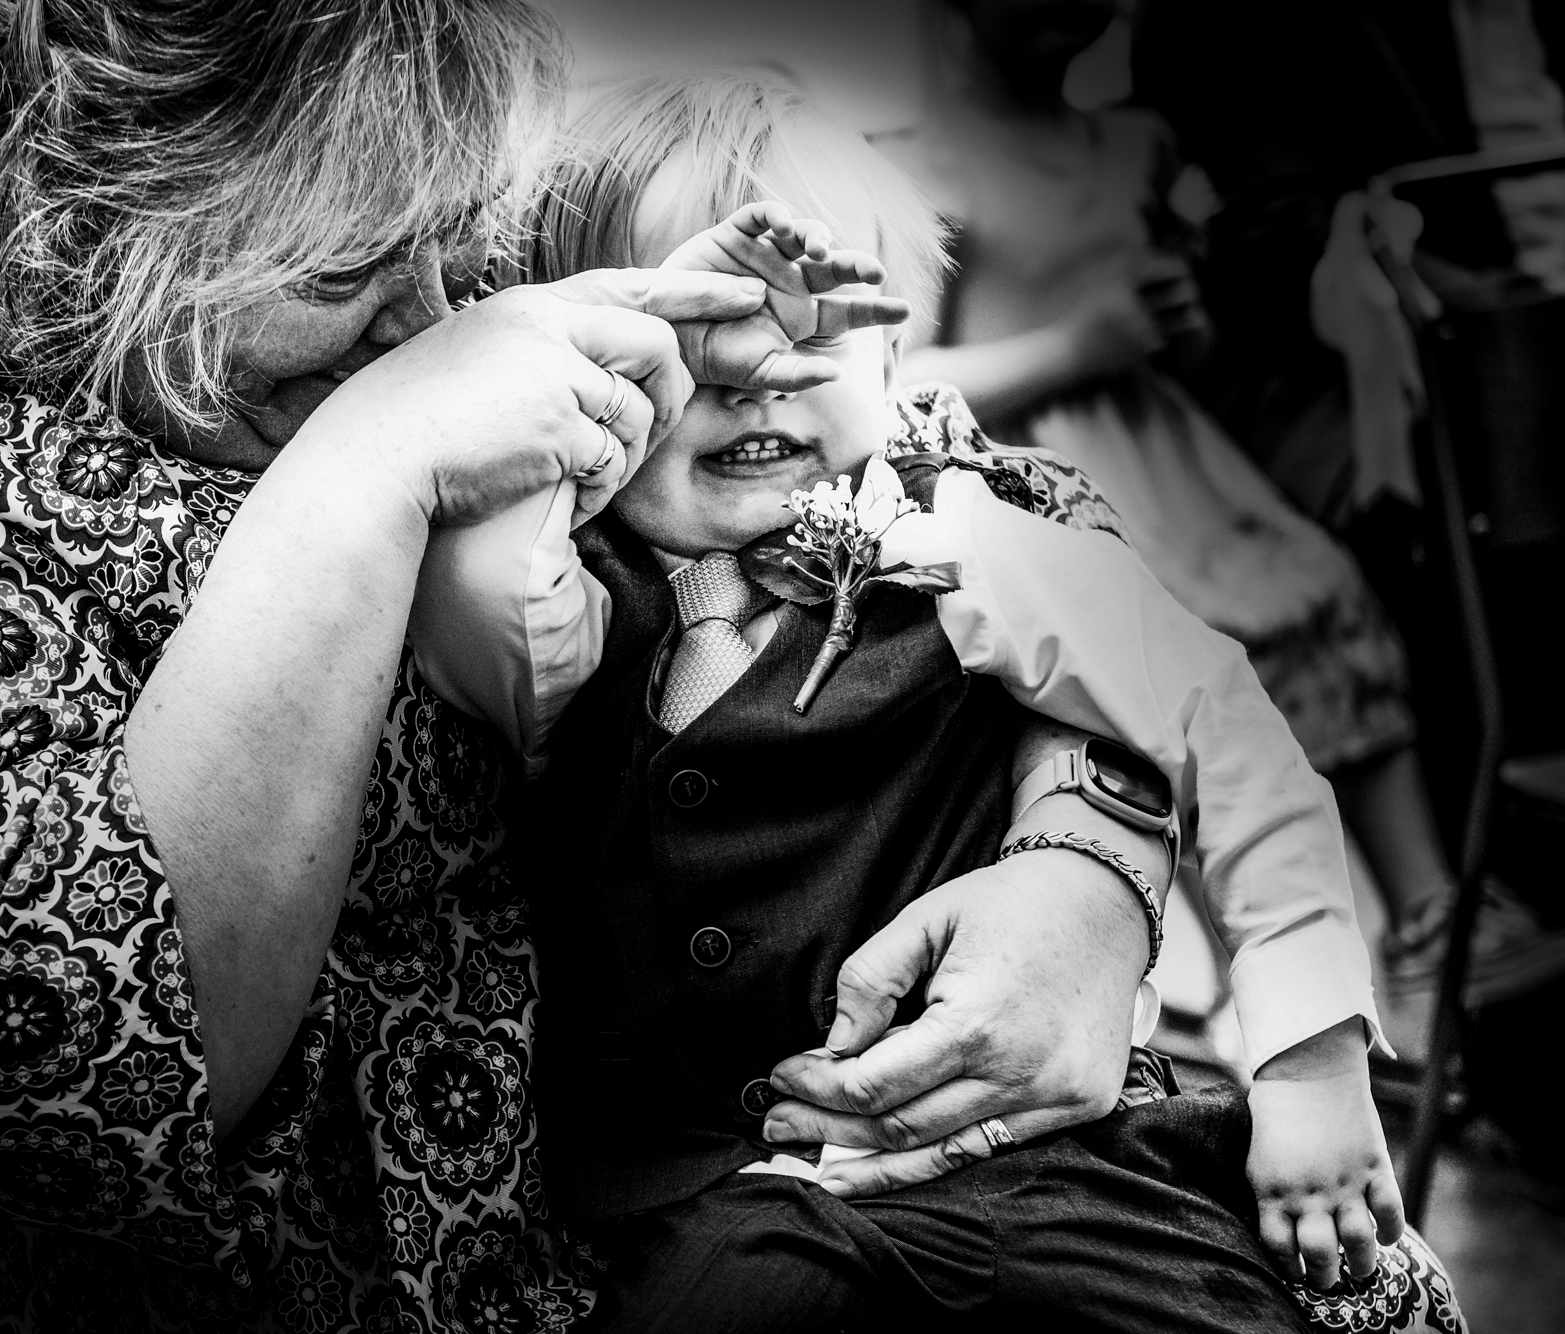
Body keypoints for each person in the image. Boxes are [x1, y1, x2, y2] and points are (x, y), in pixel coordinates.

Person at [0, 2, 1191, 1327]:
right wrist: (372, 470)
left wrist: (1086, 859)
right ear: (85, 219)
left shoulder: (416, 241)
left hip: (702, 1241)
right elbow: (81, 1084)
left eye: (455, 255)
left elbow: (973, 489)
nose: (435, 318)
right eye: (346, 278)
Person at [407, 73, 1461, 1331]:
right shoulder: (563, 595)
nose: (755, 371)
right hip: (711, 1194)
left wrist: (1308, 1058)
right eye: (698, 331)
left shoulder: (973, 547)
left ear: (899, 359)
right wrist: (618, 352)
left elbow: (1225, 728)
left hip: (1043, 1166)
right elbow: (476, 580)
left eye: (811, 325)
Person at [882, 0, 1565, 1034]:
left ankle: (1428, 920)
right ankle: (1249, 979)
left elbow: (1186, 348)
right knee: (1180, 653)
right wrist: (1079, 343)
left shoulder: (1133, 144)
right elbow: (900, 381)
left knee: (1320, 593)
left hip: (1172, 448)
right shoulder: (931, 166)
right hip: (1041, 465)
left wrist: (1175, 327)